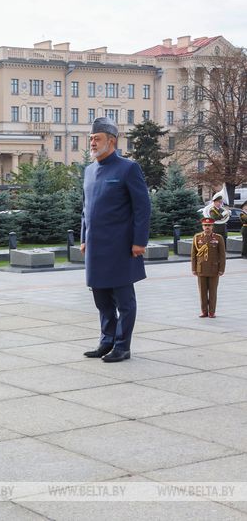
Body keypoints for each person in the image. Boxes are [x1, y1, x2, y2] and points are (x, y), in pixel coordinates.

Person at [80, 117, 151, 363]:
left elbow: (142, 207)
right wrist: (83, 237)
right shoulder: (89, 171)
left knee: (124, 301)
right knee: (101, 299)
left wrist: (139, 241)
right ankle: (106, 341)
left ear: (111, 141)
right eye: (91, 138)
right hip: (95, 247)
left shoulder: (128, 168)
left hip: (121, 247)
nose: (92, 142)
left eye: (96, 139)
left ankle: (122, 346)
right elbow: (85, 209)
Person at [191, 217, 226, 318]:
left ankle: (211, 312)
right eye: (205, 225)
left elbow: (222, 255)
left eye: (209, 225)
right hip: (201, 268)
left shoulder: (218, 238)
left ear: (212, 226)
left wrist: (221, 269)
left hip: (213, 269)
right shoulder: (197, 237)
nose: (207, 227)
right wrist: (193, 268)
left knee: (213, 292)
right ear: (202, 226)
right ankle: (204, 311)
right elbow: (193, 255)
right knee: (202, 292)